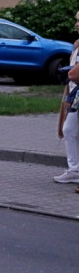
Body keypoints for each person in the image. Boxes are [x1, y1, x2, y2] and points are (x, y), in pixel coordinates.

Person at [55, 10, 79, 189]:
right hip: (75, 93)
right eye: (76, 21)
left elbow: (75, 72)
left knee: (70, 129)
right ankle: (75, 170)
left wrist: (71, 74)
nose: (76, 24)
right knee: (69, 129)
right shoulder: (77, 44)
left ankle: (75, 171)